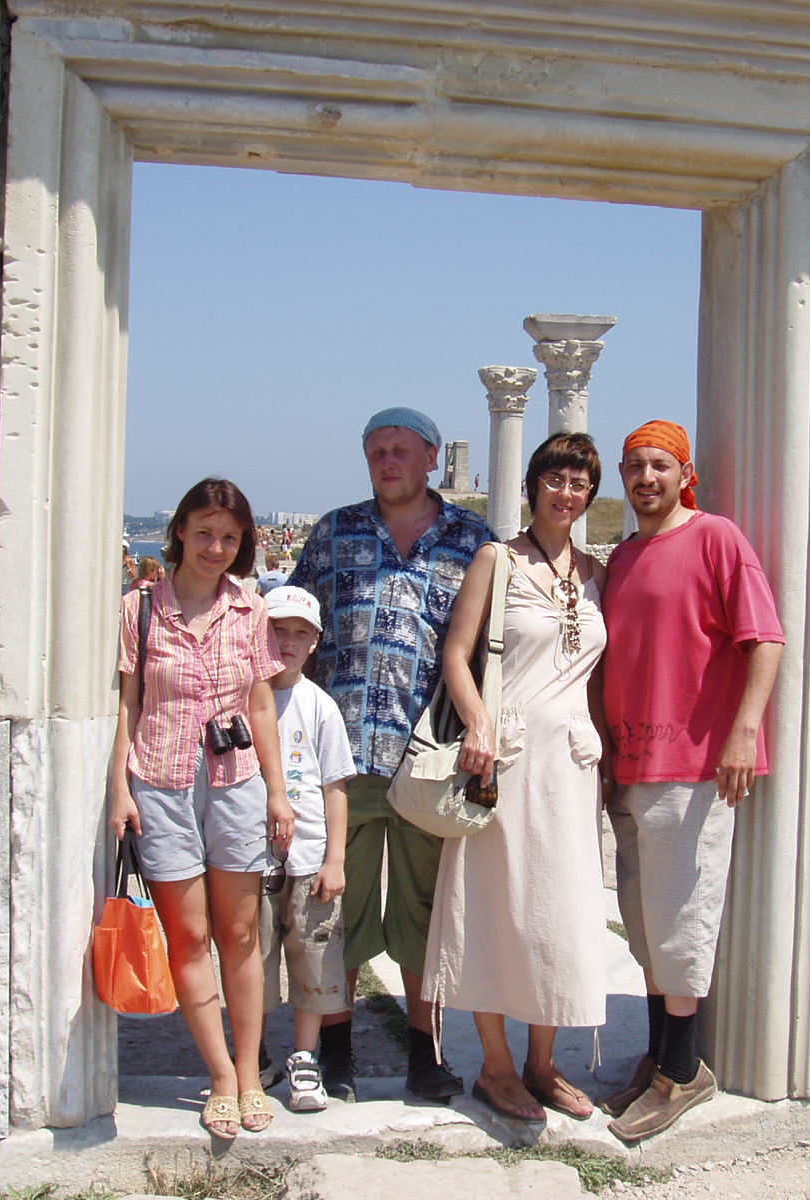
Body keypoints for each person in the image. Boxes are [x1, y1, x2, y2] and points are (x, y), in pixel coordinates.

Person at [289, 406, 493, 1103]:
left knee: (425, 913)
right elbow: (292, 626)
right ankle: (335, 1048)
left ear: (433, 457)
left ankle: (425, 1049)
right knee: (333, 907)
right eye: (377, 451)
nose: (388, 461)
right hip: (341, 759)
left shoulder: (472, 539)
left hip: (430, 758)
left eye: (402, 450)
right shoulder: (334, 531)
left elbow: (495, 644)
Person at [599, 421, 785, 1143]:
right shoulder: (623, 556)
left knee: (682, 922)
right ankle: (658, 1059)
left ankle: (683, 1072)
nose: (646, 478)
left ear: (685, 474)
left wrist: (743, 732)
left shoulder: (717, 539)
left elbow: (765, 639)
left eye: (660, 465)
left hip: (695, 764)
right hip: (630, 765)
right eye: (635, 466)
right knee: (645, 923)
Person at [422, 432, 610, 1122]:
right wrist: (478, 723)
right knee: (496, 905)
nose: (567, 493)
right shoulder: (496, 560)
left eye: (579, 483)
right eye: (556, 479)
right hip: (505, 760)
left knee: (560, 912)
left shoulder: (596, 573)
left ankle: (543, 1064)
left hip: (573, 765)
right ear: (533, 485)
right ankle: (496, 1067)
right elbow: (457, 655)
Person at [110, 478, 296, 1140]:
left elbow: (261, 702)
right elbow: (129, 703)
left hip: (235, 780)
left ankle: (250, 1072)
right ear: (181, 532)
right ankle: (218, 1074)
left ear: (242, 543)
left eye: (229, 537)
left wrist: (277, 790)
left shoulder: (250, 609)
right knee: (188, 937)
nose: (216, 548)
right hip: (160, 782)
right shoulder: (140, 608)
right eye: (205, 533)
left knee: (240, 934)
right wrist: (118, 788)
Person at [258, 585, 357, 1112]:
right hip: (251, 858)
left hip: (310, 857)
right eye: (278, 631)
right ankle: (253, 1054)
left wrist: (335, 858)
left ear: (315, 642)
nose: (288, 643)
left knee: (314, 959)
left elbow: (335, 786)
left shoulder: (320, 706)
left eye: (300, 634)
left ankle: (303, 1056)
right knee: (253, 956)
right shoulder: (242, 697)